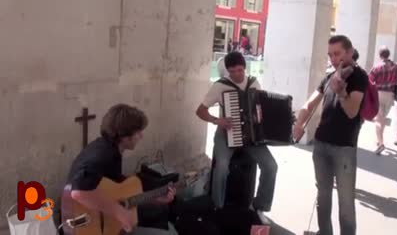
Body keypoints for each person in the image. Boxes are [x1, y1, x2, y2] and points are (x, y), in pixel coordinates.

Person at [293, 35, 368, 235]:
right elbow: (310, 103)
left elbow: (352, 111)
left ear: (350, 53)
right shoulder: (329, 77)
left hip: (344, 147)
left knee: (345, 202)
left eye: (337, 54)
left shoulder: (359, 77)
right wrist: (299, 123)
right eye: (330, 55)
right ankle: (324, 232)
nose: (334, 59)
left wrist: (342, 93)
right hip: (321, 145)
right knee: (323, 196)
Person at [66, 104, 177, 234]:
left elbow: (119, 194)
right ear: (125, 136)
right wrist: (120, 212)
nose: (141, 136)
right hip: (89, 226)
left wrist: (155, 198)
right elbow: (79, 192)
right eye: (138, 132)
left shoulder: (111, 150)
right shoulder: (102, 154)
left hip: (109, 224)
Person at [195, 51, 278, 219]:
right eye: (232, 71)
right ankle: (217, 207)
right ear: (227, 71)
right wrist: (217, 120)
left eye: (239, 70)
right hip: (226, 133)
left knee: (271, 166)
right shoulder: (220, 86)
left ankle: (259, 205)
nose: (236, 75)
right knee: (222, 167)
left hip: (251, 136)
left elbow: (260, 109)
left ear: (245, 68)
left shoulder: (255, 84)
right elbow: (200, 111)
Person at [369, 46, 397, 155]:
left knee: (378, 120)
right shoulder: (396, 67)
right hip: (391, 95)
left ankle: (381, 144)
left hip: (378, 94)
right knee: (383, 118)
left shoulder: (377, 67)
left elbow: (370, 81)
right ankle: (379, 138)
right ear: (388, 55)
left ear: (380, 55)